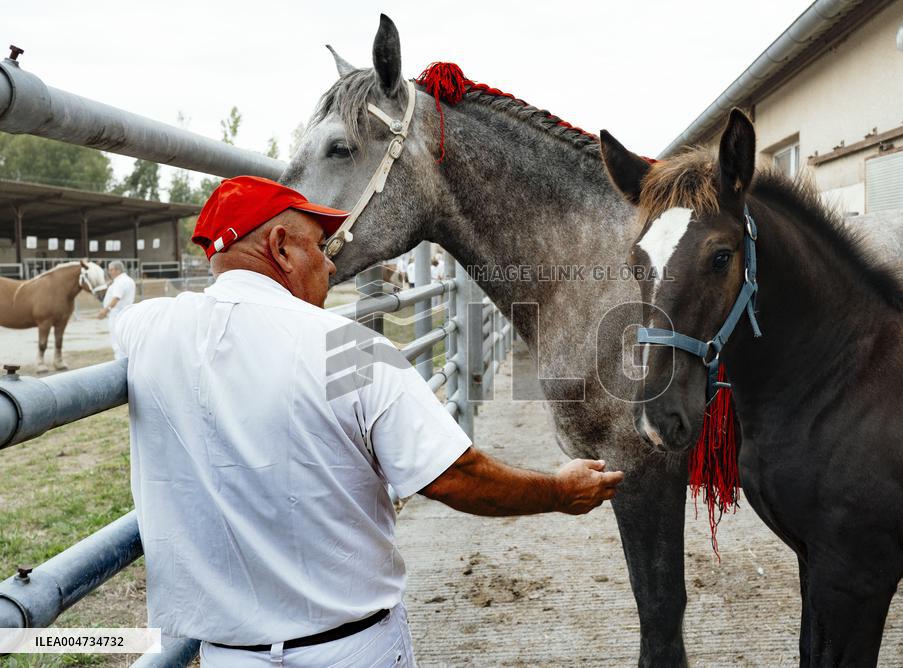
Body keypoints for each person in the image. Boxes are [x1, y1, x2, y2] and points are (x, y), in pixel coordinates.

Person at [114, 176, 623, 667]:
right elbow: (453, 477)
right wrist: (558, 492)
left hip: (228, 654)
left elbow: (127, 321)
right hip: (350, 645)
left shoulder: (150, 330)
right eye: (321, 247)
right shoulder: (345, 349)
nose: (331, 267)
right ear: (281, 246)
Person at [97, 259, 136, 359]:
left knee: (117, 343)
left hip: (116, 315)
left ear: (118, 270)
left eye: (111, 270)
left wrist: (105, 311)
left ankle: (120, 363)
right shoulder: (129, 280)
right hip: (127, 313)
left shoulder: (119, 282)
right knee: (125, 341)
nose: (109, 272)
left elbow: (116, 298)